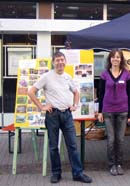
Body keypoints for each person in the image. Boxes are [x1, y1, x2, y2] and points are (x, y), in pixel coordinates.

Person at [28, 51, 92, 184]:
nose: (60, 62)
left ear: (65, 62)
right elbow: (31, 91)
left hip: (67, 115)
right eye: (57, 60)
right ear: (53, 62)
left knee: (72, 146)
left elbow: (76, 92)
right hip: (53, 115)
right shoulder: (46, 76)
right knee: (53, 146)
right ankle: (56, 173)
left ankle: (78, 173)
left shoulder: (68, 77)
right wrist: (41, 107)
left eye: (62, 60)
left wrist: (75, 105)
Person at [97, 49, 130, 176]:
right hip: (108, 111)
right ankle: (112, 164)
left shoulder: (127, 75)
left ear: (121, 59)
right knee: (111, 140)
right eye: (113, 57)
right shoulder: (104, 75)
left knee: (120, 140)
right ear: (110, 59)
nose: (115, 59)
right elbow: (100, 94)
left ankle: (119, 164)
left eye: (118, 57)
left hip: (123, 112)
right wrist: (100, 111)